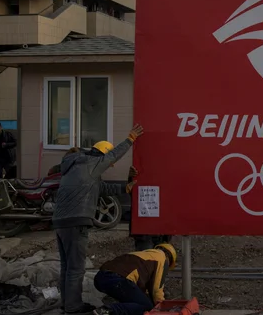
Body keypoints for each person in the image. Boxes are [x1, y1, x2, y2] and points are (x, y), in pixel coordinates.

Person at [53, 125, 144, 314]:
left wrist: (124, 188)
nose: (108, 165)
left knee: (67, 266)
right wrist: (130, 139)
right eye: (106, 161)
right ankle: (73, 306)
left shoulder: (76, 165)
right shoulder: (92, 162)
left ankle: (66, 303)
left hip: (60, 221)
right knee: (76, 268)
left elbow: (101, 188)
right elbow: (113, 156)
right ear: (101, 154)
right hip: (76, 221)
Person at [92, 243, 177, 315]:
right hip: (117, 279)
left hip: (101, 277)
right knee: (147, 307)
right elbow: (157, 289)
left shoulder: (144, 255)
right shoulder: (162, 258)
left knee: (136, 302)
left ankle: (111, 303)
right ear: (169, 259)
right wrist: (161, 307)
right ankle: (108, 309)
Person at [127, 165, 172, 251]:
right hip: (144, 231)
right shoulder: (141, 170)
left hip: (162, 231)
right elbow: (133, 192)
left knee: (160, 260)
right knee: (146, 260)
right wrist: (131, 178)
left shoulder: (167, 176)